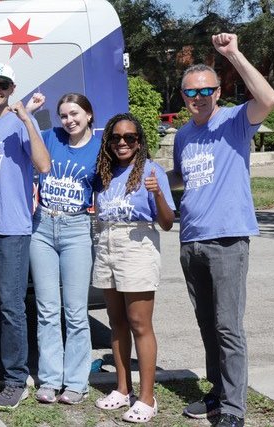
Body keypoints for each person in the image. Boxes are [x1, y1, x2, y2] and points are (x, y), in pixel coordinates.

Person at [174, 33, 274, 427]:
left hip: (228, 239)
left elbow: (268, 100)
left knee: (228, 326)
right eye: (191, 92)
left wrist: (232, 53)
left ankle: (233, 409)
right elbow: (182, 179)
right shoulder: (184, 135)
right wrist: (139, 181)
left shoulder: (235, 120)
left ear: (218, 93)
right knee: (207, 327)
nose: (198, 97)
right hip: (191, 240)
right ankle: (217, 393)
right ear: (183, 96)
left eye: (206, 90)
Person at [0, 62, 50, 411]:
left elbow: (43, 165)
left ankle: (16, 380)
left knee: (12, 307)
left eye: (2, 84)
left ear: (12, 88)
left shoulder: (20, 123)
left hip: (12, 229)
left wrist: (27, 119)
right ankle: (1, 368)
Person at [91, 113, 175, 424]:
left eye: (129, 138)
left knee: (139, 323)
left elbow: (167, 223)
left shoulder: (152, 171)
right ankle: (122, 389)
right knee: (116, 321)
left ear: (139, 142)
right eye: (116, 138)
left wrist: (156, 193)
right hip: (106, 242)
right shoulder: (104, 172)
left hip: (137, 245)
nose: (122, 143)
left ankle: (147, 398)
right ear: (108, 142)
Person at [24, 93, 100, 405]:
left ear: (89, 114)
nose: (69, 120)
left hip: (76, 228)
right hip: (42, 227)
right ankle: (50, 379)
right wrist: (27, 113)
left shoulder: (101, 145)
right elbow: (20, 138)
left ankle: (76, 383)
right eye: (64, 115)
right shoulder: (51, 137)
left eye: (75, 114)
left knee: (76, 311)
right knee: (47, 309)